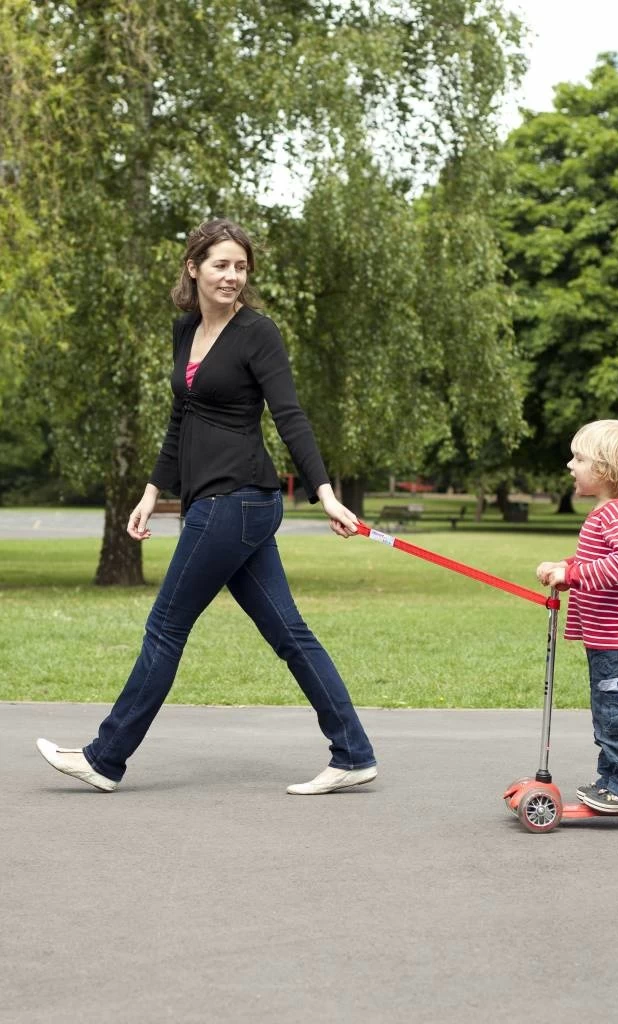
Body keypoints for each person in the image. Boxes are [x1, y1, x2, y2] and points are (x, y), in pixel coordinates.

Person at [37, 218, 377, 796]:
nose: (232, 276)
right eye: (221, 264)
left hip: (234, 500)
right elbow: (181, 419)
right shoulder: (186, 329)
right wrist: (152, 492)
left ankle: (104, 758)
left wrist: (324, 493)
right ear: (193, 268)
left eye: (241, 266)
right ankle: (354, 753)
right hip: (224, 505)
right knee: (290, 633)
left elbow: (289, 416)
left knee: (165, 627)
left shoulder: (258, 333)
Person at [536, 419, 618, 813]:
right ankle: (613, 781)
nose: (570, 465)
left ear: (604, 469)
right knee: (609, 717)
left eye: (579, 458)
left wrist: (571, 575)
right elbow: (595, 560)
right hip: (604, 643)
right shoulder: (605, 512)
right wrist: (566, 567)